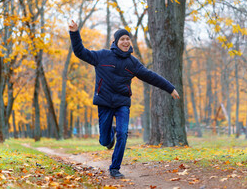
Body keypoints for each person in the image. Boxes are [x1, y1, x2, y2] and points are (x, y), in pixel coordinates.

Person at [68, 20, 180, 179]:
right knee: (104, 141)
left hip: (122, 104)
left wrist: (170, 88)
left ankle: (114, 168)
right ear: (115, 42)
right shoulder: (102, 56)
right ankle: (110, 133)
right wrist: (74, 33)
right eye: (122, 39)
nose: (126, 41)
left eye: (128, 39)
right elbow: (80, 52)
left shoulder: (133, 63)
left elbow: (151, 76)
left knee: (123, 133)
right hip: (105, 103)